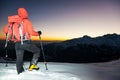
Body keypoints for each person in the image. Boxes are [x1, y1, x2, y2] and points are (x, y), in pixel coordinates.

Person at [3, 7, 42, 74]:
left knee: (19, 59)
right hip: (25, 42)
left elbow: (5, 30)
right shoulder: (26, 21)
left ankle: (20, 73)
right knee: (37, 51)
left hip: (17, 44)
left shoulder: (13, 22)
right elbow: (31, 33)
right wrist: (38, 33)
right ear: (26, 13)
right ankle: (32, 65)